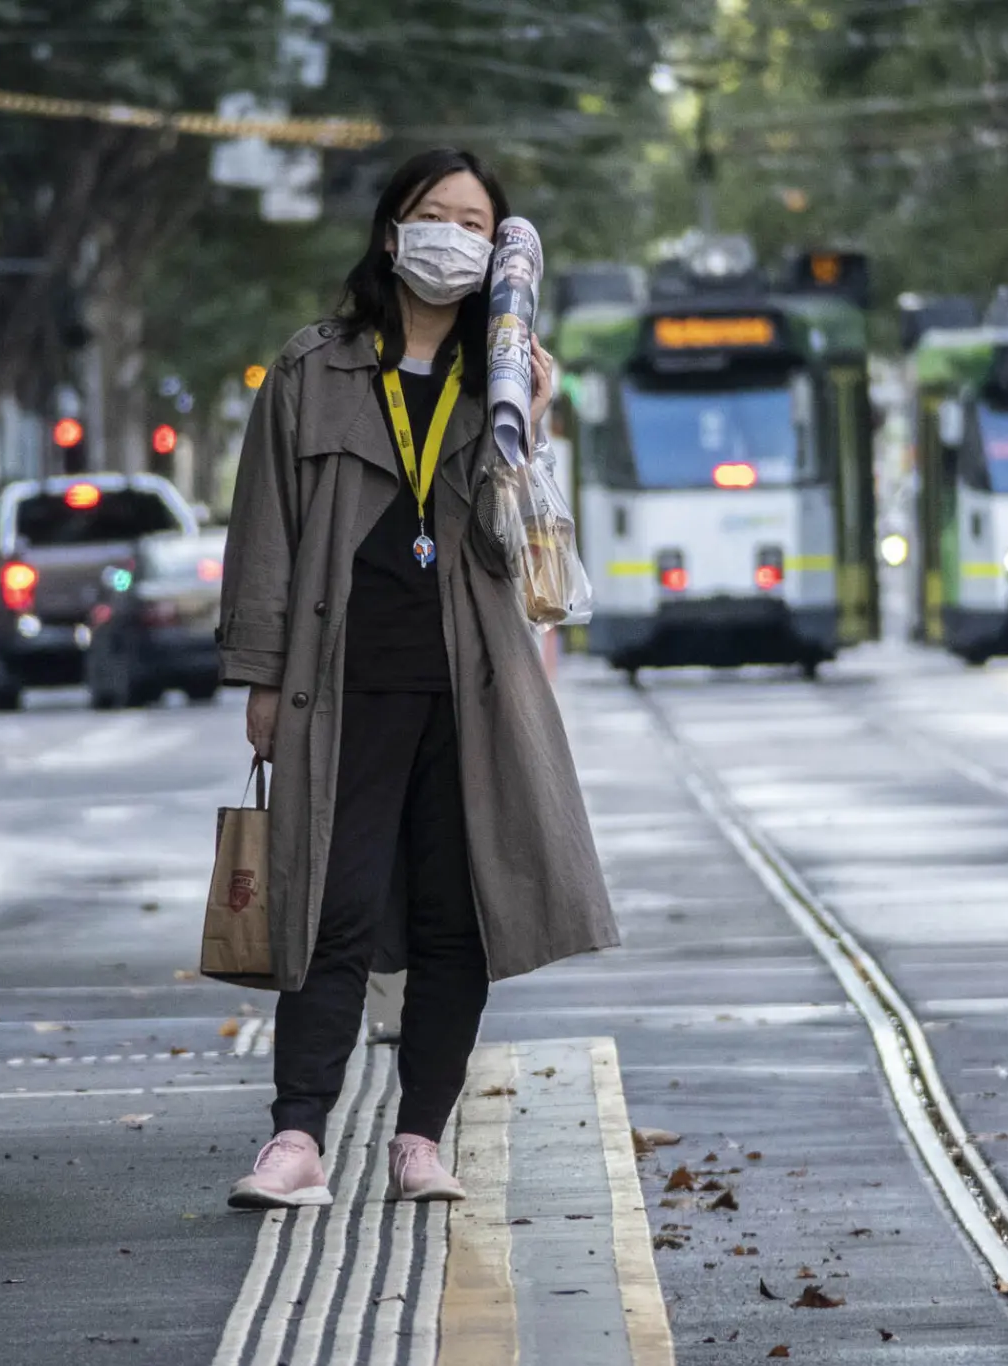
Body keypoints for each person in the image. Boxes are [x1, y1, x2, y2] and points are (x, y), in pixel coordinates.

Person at [218, 148, 619, 1209]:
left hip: (473, 686)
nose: (453, 236)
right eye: (432, 214)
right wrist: (260, 676)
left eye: (475, 223)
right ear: (392, 233)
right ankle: (294, 1135)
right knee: (324, 906)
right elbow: (265, 530)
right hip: (339, 681)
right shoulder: (313, 370)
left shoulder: (506, 378)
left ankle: (418, 1137)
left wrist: (526, 423)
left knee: (456, 914)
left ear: (500, 251)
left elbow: (531, 553)